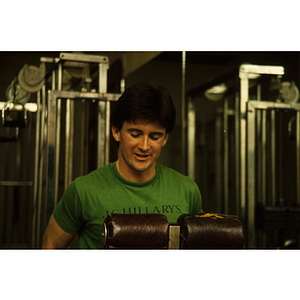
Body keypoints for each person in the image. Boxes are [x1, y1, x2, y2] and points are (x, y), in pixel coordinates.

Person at [42, 82, 203, 249]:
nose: (144, 146)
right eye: (135, 134)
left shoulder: (187, 190)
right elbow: (50, 245)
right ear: (116, 132)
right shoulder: (83, 190)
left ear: (165, 138)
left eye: (155, 137)